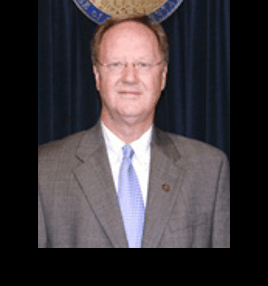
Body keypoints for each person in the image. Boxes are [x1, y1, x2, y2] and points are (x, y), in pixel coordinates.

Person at [38, 15, 230, 248]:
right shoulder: (45, 172)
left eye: (143, 64)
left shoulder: (209, 169)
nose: (130, 78)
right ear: (98, 76)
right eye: (116, 64)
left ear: (163, 77)